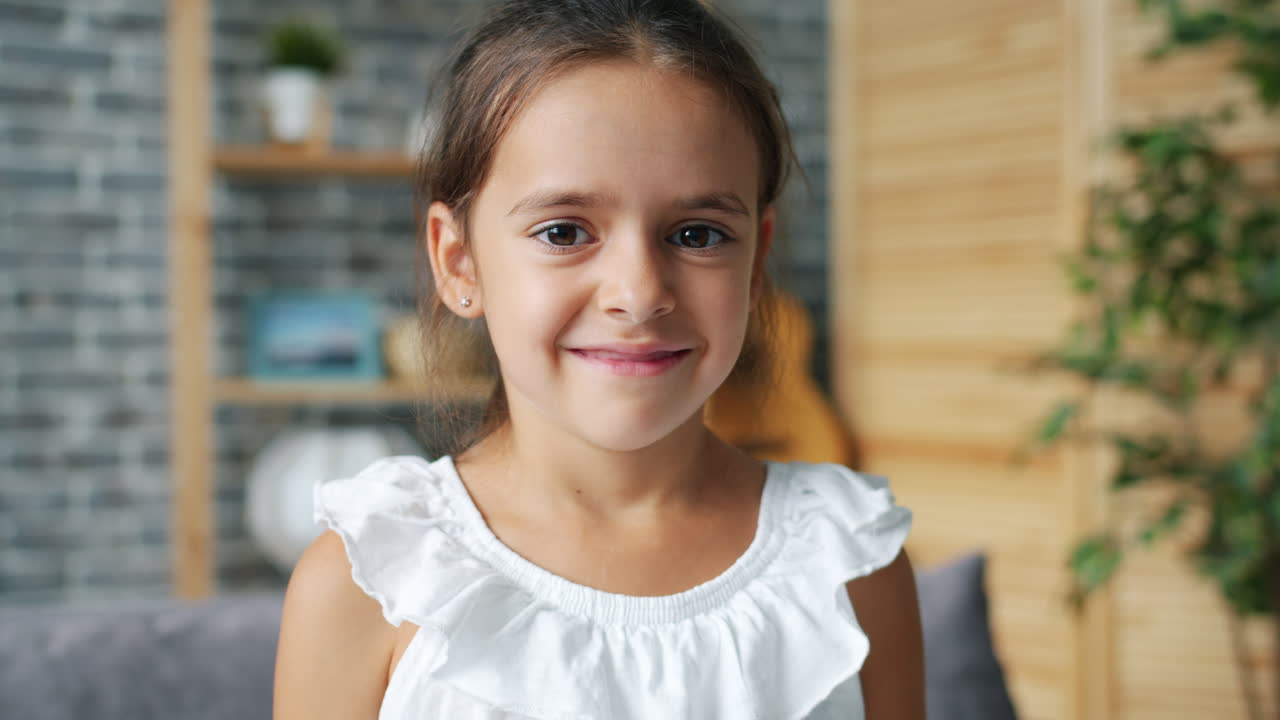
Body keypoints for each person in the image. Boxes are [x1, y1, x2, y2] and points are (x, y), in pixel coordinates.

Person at [273, 1, 925, 718]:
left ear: (756, 261)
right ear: (459, 263)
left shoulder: (851, 565)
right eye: (563, 231)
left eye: (698, 234)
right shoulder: (369, 581)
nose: (639, 294)